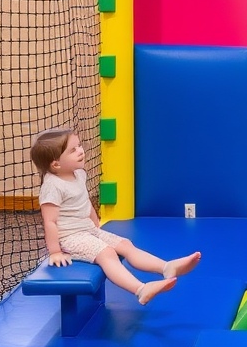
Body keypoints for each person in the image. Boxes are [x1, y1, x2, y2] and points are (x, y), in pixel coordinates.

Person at [31, 127, 200, 305]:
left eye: (79, 145)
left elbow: (84, 201)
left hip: (87, 230)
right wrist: (55, 251)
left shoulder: (78, 174)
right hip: (69, 238)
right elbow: (49, 221)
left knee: (126, 245)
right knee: (108, 253)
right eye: (73, 150)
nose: (81, 151)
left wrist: (95, 224)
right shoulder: (52, 186)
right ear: (56, 164)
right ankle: (141, 289)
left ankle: (166, 267)